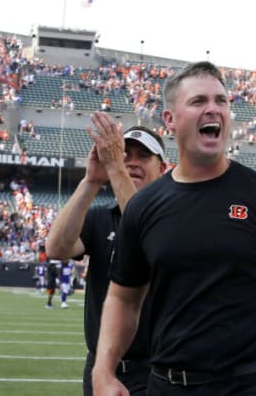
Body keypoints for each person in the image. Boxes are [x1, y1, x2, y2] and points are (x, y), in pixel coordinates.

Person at [92, 61, 256, 396]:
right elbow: (123, 297)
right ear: (170, 120)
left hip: (247, 385)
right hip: (166, 385)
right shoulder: (144, 206)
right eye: (199, 101)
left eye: (221, 101)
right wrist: (102, 370)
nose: (213, 109)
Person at [46, 112, 167, 396]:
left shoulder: (172, 218)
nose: (131, 162)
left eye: (143, 156)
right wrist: (91, 181)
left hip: (154, 369)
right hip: (101, 366)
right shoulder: (101, 218)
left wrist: (115, 168)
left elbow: (146, 234)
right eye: (125, 154)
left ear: (163, 169)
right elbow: (56, 248)